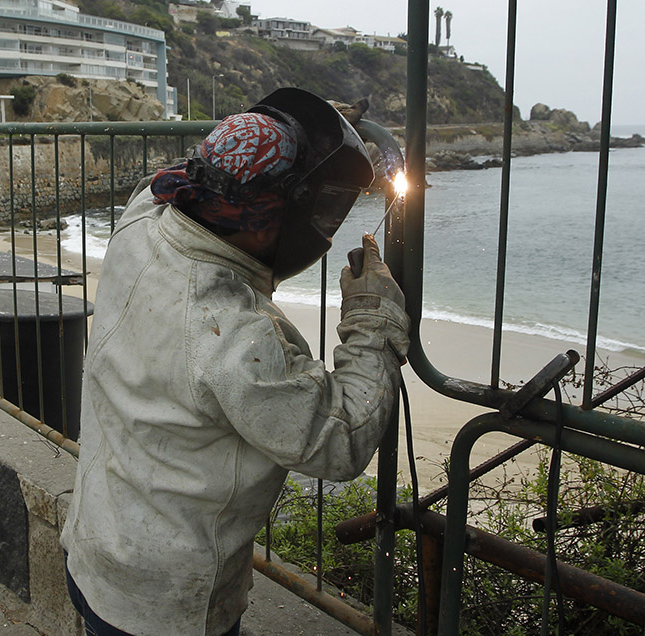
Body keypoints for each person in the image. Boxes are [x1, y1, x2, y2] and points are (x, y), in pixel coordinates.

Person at [60, 87, 410, 636]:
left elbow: (220, 162)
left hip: (95, 548)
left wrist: (320, 132)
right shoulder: (232, 336)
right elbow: (340, 439)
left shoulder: (143, 215)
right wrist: (372, 318)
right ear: (268, 219)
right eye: (318, 207)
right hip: (166, 604)